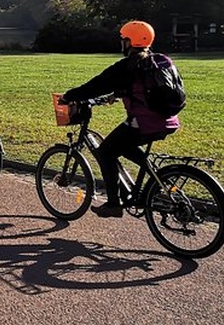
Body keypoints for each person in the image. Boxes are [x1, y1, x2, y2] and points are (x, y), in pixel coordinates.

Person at [61, 20, 180, 218]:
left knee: (106, 152)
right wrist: (118, 94)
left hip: (144, 122)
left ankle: (113, 204)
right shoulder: (158, 61)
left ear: (130, 42)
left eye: (124, 40)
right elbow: (144, 88)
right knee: (125, 145)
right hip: (167, 120)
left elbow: (97, 84)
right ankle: (157, 181)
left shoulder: (129, 65)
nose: (122, 44)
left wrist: (69, 96)